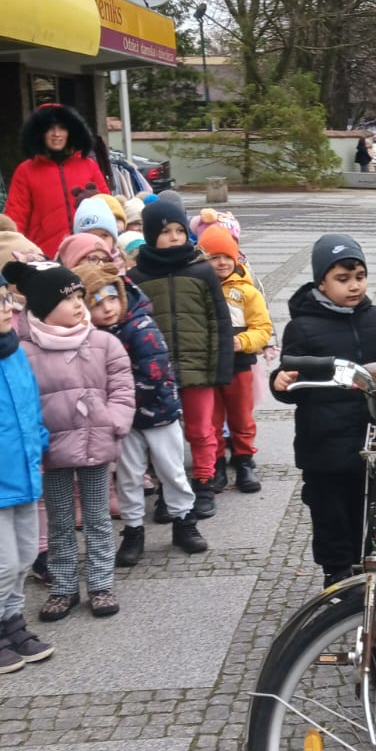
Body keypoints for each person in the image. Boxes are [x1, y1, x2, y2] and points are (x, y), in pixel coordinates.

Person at [7, 259, 136, 621]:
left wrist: (114, 421)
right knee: (60, 520)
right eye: (69, 299)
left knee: (96, 517)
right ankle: (63, 586)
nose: (80, 304)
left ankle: (100, 583)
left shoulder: (103, 343)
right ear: (45, 308)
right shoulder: (24, 351)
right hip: (52, 450)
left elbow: (122, 388)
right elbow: (22, 398)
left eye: (81, 295)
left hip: (96, 444)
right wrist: (34, 440)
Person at [272, 235, 376, 585]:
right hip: (323, 446)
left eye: (360, 277)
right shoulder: (303, 327)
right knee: (330, 515)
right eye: (343, 279)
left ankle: (370, 574)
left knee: (372, 514)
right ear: (321, 281)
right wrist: (280, 381)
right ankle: (336, 575)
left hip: (374, 442)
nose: (354, 286)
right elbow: (290, 382)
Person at [77, 263, 208, 564]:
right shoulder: (92, 336)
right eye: (96, 304)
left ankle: (184, 520)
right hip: (122, 420)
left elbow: (155, 370)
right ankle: (134, 529)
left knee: (171, 469)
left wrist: (118, 402)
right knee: (128, 475)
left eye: (112, 299)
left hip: (157, 410)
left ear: (122, 296)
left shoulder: (140, 327)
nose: (107, 309)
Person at [129, 197, 234, 518]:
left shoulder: (201, 271)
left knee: (202, 429)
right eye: (165, 231)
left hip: (198, 366)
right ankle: (169, 490)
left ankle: (203, 484)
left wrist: (221, 365)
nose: (174, 237)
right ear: (149, 235)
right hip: (157, 371)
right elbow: (133, 325)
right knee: (163, 437)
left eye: (179, 230)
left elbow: (219, 320)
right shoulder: (138, 277)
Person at [0, 264, 54, 673]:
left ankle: (11, 622)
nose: (8, 307)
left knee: (25, 555)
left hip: (25, 476)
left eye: (8, 297)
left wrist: (39, 445)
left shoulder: (12, 351)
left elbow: (30, 408)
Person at [198, 223, 272, 493]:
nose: (221, 263)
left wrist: (242, 342)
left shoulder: (246, 292)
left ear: (236, 257)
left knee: (241, 417)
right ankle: (216, 463)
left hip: (239, 365)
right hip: (207, 365)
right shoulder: (199, 288)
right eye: (214, 257)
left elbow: (263, 329)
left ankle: (244, 461)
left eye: (226, 256)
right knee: (212, 419)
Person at [5, 103, 110, 259]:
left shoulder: (88, 165)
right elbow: (16, 217)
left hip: (89, 253)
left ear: (71, 132)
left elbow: (107, 207)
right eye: (50, 128)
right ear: (39, 133)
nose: (56, 134)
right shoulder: (25, 171)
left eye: (62, 128)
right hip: (44, 255)